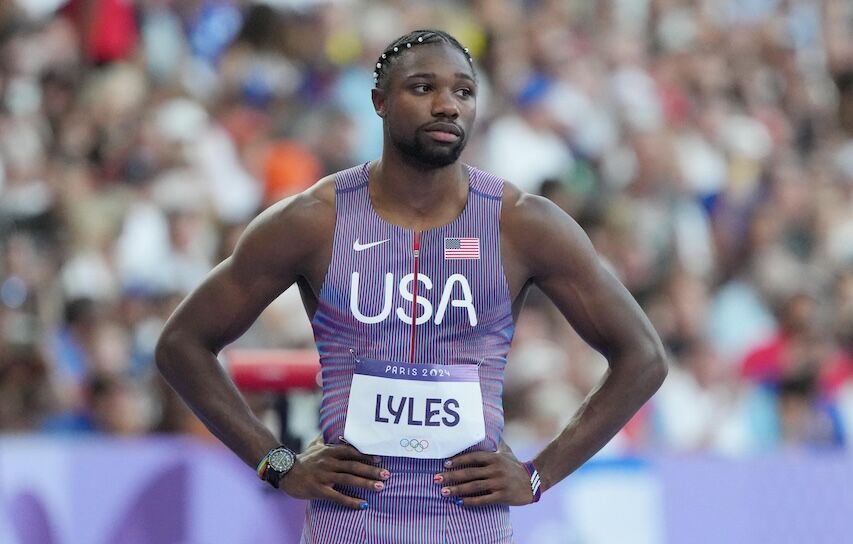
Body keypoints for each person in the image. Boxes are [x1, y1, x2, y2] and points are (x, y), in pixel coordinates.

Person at [156, 29, 668, 544]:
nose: (447, 105)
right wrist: (277, 463)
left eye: (463, 92)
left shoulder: (521, 224)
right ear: (378, 102)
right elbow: (181, 345)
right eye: (423, 88)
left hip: (472, 529)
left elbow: (643, 357)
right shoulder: (314, 220)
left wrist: (540, 474)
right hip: (348, 528)